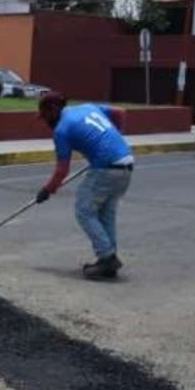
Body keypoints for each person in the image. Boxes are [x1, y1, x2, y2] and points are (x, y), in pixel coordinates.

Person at [36, 93, 134, 280]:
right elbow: (120, 113)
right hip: (126, 162)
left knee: (84, 210)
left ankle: (107, 257)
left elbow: (62, 170)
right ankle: (108, 260)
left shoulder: (62, 130)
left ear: (54, 110)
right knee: (105, 213)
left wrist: (47, 190)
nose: (46, 122)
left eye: (46, 116)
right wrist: (112, 140)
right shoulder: (87, 107)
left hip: (106, 168)